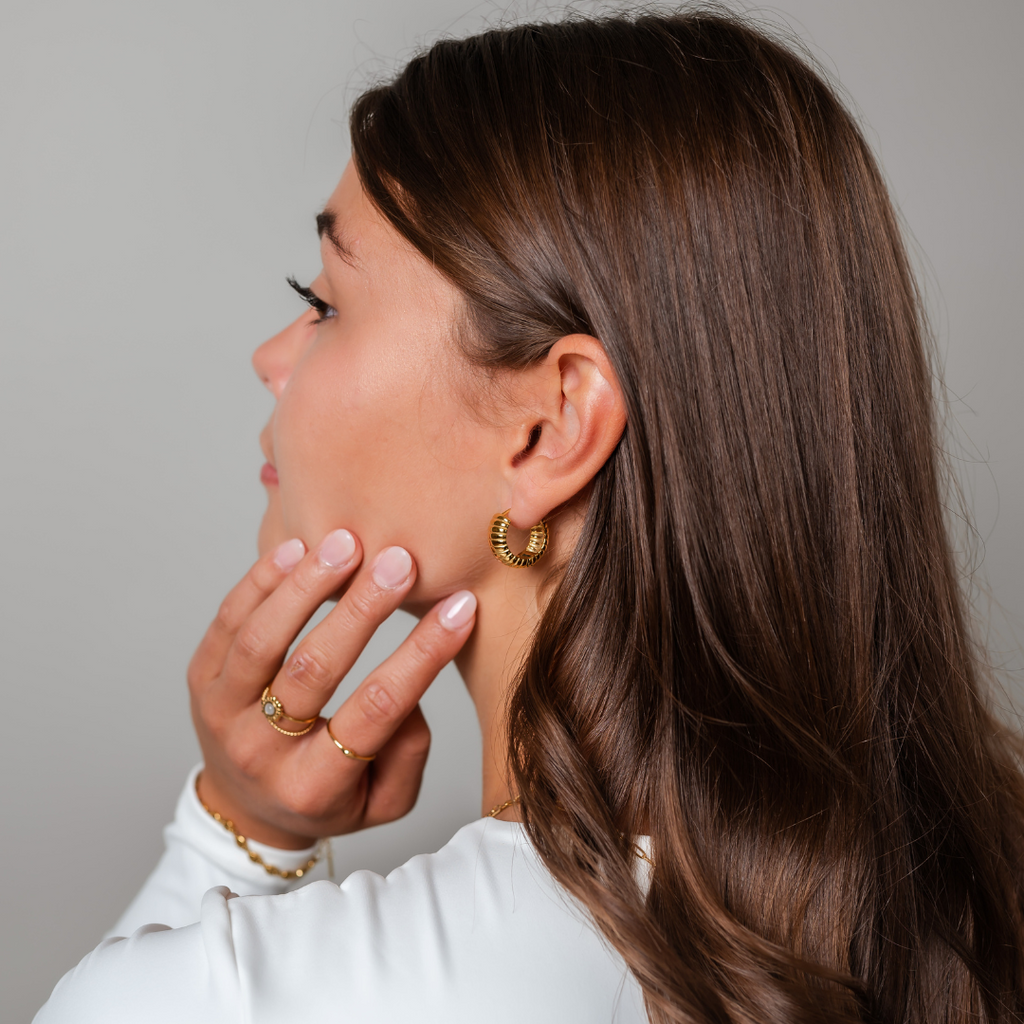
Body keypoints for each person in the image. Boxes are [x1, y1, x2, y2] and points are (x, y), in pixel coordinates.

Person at [33, 9, 1024, 1024]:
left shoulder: (221, 997)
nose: (272, 357)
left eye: (325, 302)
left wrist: (232, 841)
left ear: (552, 429)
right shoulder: (979, 908)